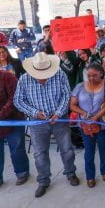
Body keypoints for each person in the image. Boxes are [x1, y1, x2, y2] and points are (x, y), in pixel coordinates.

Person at [13, 52, 80, 198]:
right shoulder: (24, 79)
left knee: (67, 149)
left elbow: (66, 95)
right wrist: (35, 112)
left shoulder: (59, 74)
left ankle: (70, 173)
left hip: (59, 120)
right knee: (39, 153)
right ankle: (43, 180)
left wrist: (58, 113)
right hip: (37, 122)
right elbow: (18, 101)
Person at [69, 62, 105, 187]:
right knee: (89, 151)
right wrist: (83, 113)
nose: (91, 78)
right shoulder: (79, 87)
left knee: (103, 148)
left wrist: (97, 116)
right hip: (85, 125)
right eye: (89, 75)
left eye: (94, 75)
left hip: (102, 124)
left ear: (101, 73)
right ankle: (90, 176)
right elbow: (72, 105)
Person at [0, 70, 29, 187]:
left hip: (13, 118)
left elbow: (14, 98)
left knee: (17, 148)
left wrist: (1, 114)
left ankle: (22, 173)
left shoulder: (7, 76)